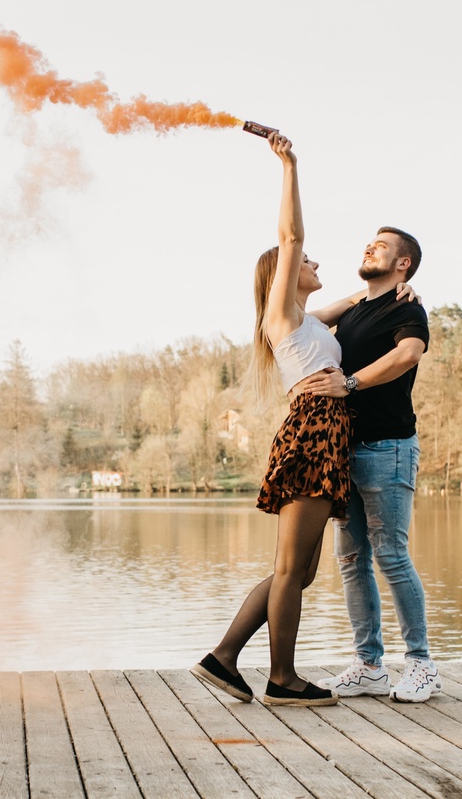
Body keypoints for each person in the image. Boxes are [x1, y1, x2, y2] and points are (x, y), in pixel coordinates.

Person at [190, 130, 348, 706]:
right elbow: (290, 234)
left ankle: (223, 657)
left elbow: (341, 306)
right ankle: (282, 680)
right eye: (304, 261)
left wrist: (387, 289)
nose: (311, 260)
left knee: (299, 572)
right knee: (289, 569)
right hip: (311, 435)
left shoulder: (309, 322)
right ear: (282, 273)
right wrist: (290, 165)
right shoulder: (280, 314)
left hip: (326, 437)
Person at [297, 227, 442, 703]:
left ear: (404, 264)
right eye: (368, 243)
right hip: (346, 450)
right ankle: (368, 665)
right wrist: (362, 293)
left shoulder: (409, 309)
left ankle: (421, 665)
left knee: (391, 556)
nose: (368, 247)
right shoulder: (358, 310)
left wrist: (351, 384)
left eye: (381, 246)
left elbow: (408, 354)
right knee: (351, 560)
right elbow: (305, 318)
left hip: (388, 448)